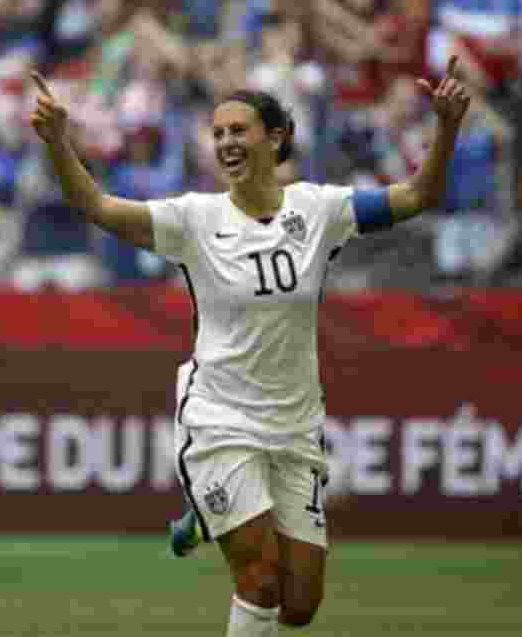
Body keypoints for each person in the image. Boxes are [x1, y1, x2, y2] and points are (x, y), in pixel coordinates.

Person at [30, 57, 470, 636]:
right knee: (259, 582)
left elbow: (418, 194)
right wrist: (59, 143)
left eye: (238, 130)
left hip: (294, 425)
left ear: (276, 138)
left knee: (299, 605)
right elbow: (98, 206)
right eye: (217, 134)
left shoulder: (319, 210)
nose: (225, 143)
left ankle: (202, 515)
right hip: (221, 419)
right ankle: (213, 502)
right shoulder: (194, 219)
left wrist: (447, 126)